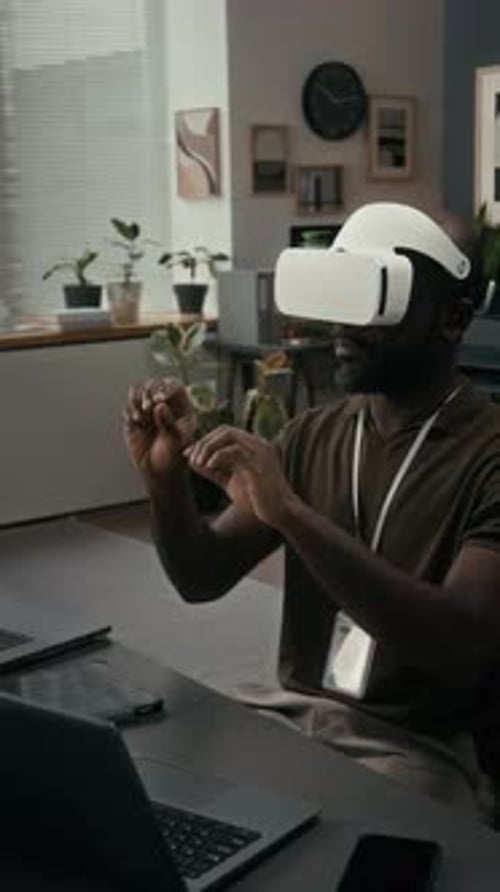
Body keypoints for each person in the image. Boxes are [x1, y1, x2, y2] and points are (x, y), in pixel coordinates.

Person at [123, 203, 500, 816]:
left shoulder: (488, 454)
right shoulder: (312, 435)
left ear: (453, 319)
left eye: (380, 298)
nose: (345, 328)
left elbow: (458, 647)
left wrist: (291, 513)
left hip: (418, 748)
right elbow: (200, 577)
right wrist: (164, 481)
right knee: (154, 788)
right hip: (294, 714)